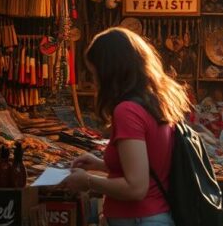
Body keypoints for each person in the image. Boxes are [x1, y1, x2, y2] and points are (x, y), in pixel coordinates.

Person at [61, 28, 192, 226]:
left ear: (109, 71)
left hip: (139, 219)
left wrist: (88, 181)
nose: (94, 81)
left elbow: (136, 187)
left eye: (94, 72)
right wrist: (100, 164)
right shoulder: (155, 103)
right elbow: (147, 166)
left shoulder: (127, 111)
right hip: (152, 216)